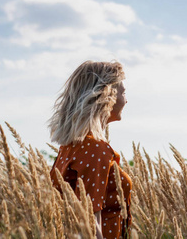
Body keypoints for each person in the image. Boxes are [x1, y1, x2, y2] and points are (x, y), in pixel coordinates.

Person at [49, 60, 132, 239]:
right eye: (123, 92)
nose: (127, 99)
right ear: (107, 95)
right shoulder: (94, 148)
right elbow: (88, 221)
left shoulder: (70, 147)